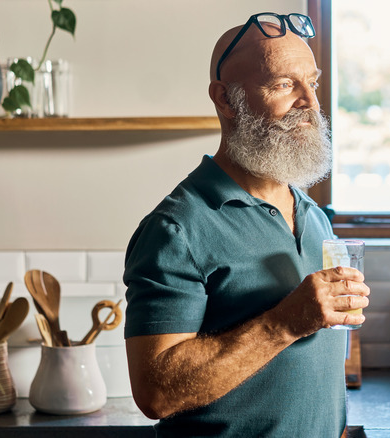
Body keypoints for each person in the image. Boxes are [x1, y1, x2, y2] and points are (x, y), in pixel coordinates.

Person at [123, 12, 370, 437]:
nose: (309, 103)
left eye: (311, 82)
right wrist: (284, 323)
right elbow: (155, 393)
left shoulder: (312, 215)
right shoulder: (176, 229)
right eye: (282, 85)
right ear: (224, 99)